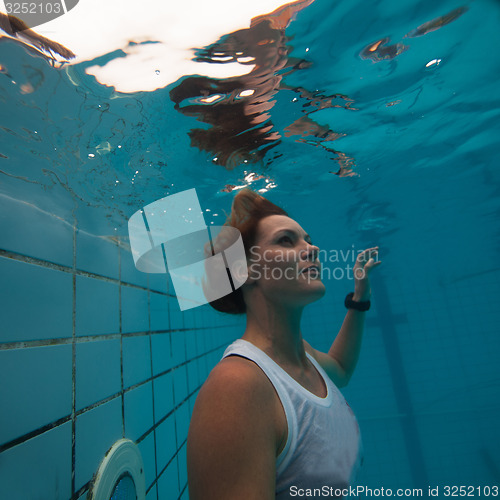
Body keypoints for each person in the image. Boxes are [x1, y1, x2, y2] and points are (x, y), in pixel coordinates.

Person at [187, 188, 381, 499]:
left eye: (307, 238)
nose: (312, 248)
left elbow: (341, 369)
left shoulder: (299, 355)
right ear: (245, 271)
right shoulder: (237, 386)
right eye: (286, 240)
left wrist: (360, 298)